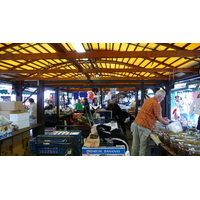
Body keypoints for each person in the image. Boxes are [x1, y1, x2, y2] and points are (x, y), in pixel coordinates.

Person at [131, 90, 170, 156]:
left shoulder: (148, 100)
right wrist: (168, 123)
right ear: (159, 96)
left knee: (135, 145)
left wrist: (162, 118)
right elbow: (160, 119)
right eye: (163, 97)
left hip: (136, 123)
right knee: (143, 147)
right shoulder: (156, 104)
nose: (163, 99)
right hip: (145, 127)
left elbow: (150, 114)